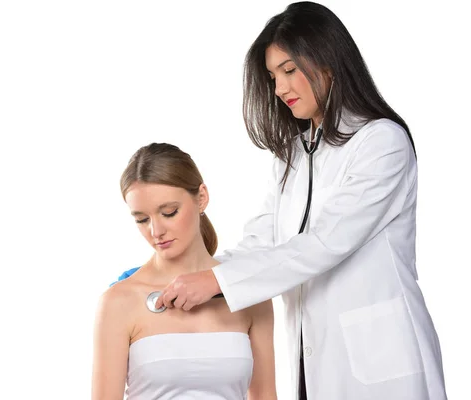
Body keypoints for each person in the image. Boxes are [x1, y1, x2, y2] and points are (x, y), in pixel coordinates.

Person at [113, 2, 448, 399]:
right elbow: (261, 243)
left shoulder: (381, 143)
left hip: (381, 362)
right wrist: (176, 278)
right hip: (312, 359)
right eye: (273, 76)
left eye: (289, 71)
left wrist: (213, 281)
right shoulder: (292, 154)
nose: (280, 89)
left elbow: (325, 244)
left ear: (329, 61)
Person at [91, 143, 278, 399]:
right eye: (142, 219)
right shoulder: (119, 301)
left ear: (201, 198)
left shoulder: (248, 293)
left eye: (169, 212)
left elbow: (266, 395)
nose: (156, 231)